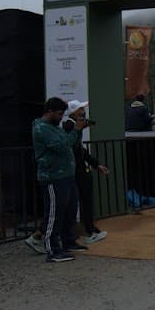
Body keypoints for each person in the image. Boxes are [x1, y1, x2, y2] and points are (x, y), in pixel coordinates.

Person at [27, 96, 86, 263]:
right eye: (59, 114)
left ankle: (68, 241)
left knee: (69, 211)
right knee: (54, 214)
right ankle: (53, 250)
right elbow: (60, 146)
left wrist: (78, 132)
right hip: (53, 177)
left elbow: (69, 144)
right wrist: (75, 130)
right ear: (50, 112)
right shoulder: (41, 128)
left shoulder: (55, 127)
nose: (61, 117)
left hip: (66, 175)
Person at [63, 101, 109, 245]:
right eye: (81, 109)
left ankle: (87, 229)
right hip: (76, 169)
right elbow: (75, 150)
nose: (83, 111)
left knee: (83, 199)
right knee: (82, 199)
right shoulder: (70, 126)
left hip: (79, 168)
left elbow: (81, 150)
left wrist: (96, 164)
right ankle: (87, 231)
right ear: (74, 112)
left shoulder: (74, 127)